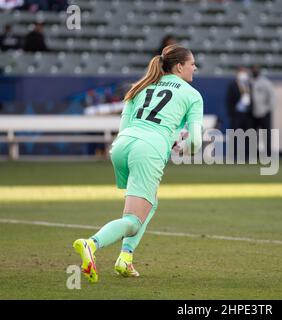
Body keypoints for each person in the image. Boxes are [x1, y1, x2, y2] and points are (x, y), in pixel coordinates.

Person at [72, 44, 203, 283]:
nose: (195, 67)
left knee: (146, 204)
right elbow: (195, 140)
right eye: (192, 63)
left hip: (122, 147)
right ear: (179, 66)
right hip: (148, 149)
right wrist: (182, 148)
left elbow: (124, 128)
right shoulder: (192, 95)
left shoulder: (141, 86)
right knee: (133, 221)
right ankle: (91, 244)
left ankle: (125, 259)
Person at [250, 65, 275, 155]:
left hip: (264, 112)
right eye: (253, 69)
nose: (254, 71)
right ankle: (255, 153)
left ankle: (268, 153)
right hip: (253, 112)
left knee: (266, 134)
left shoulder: (265, 82)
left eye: (256, 69)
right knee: (253, 134)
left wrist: (268, 108)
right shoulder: (251, 81)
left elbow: (272, 96)